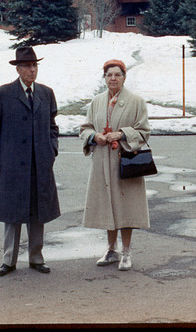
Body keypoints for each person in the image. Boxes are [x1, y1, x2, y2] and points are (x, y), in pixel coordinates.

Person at [0, 46, 60, 276]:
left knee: (38, 211)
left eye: (34, 65)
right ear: (17, 69)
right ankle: (9, 260)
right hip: (11, 165)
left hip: (40, 163)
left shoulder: (46, 93)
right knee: (12, 212)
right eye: (27, 66)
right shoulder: (3, 94)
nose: (31, 70)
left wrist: (51, 149)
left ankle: (37, 258)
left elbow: (53, 127)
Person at [80, 59, 150, 271]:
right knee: (106, 205)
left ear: (124, 77)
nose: (113, 79)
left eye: (117, 75)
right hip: (102, 161)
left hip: (126, 162)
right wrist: (94, 136)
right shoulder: (96, 102)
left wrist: (122, 134)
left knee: (126, 207)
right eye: (109, 75)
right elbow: (85, 128)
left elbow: (144, 131)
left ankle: (126, 252)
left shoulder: (136, 102)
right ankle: (111, 249)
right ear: (104, 78)